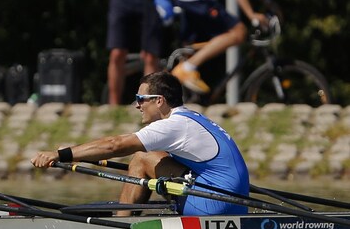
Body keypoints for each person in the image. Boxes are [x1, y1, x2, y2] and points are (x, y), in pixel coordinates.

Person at [31, 71, 249, 216]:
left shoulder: (172, 126)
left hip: (214, 206)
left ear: (159, 101)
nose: (137, 105)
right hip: (235, 204)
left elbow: (114, 145)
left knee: (141, 158)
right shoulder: (192, 118)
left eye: (141, 98)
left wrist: (62, 155)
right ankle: (131, 214)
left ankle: (121, 225)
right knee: (156, 154)